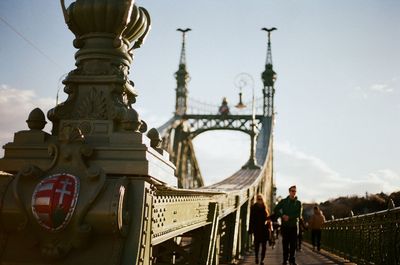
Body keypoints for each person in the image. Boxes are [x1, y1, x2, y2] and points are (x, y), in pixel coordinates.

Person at [274, 185, 302, 265]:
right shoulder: (283, 201)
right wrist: (282, 215)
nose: (293, 193)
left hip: (293, 226)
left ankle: (292, 260)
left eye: (295, 191)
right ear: (289, 192)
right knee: (285, 244)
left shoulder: (298, 203)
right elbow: (276, 209)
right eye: (292, 191)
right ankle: (285, 260)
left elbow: (298, 214)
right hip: (285, 226)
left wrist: (289, 217)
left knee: (293, 244)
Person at [249, 194, 271, 265]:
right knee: (257, 246)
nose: (260, 201)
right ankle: (256, 258)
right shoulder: (253, 207)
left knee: (264, 246)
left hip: (264, 229)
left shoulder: (265, 207)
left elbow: (268, 218)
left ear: (263, 200)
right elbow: (251, 219)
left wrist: (268, 221)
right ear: (256, 200)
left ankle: (262, 260)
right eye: (258, 199)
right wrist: (250, 229)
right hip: (257, 229)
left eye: (261, 199)